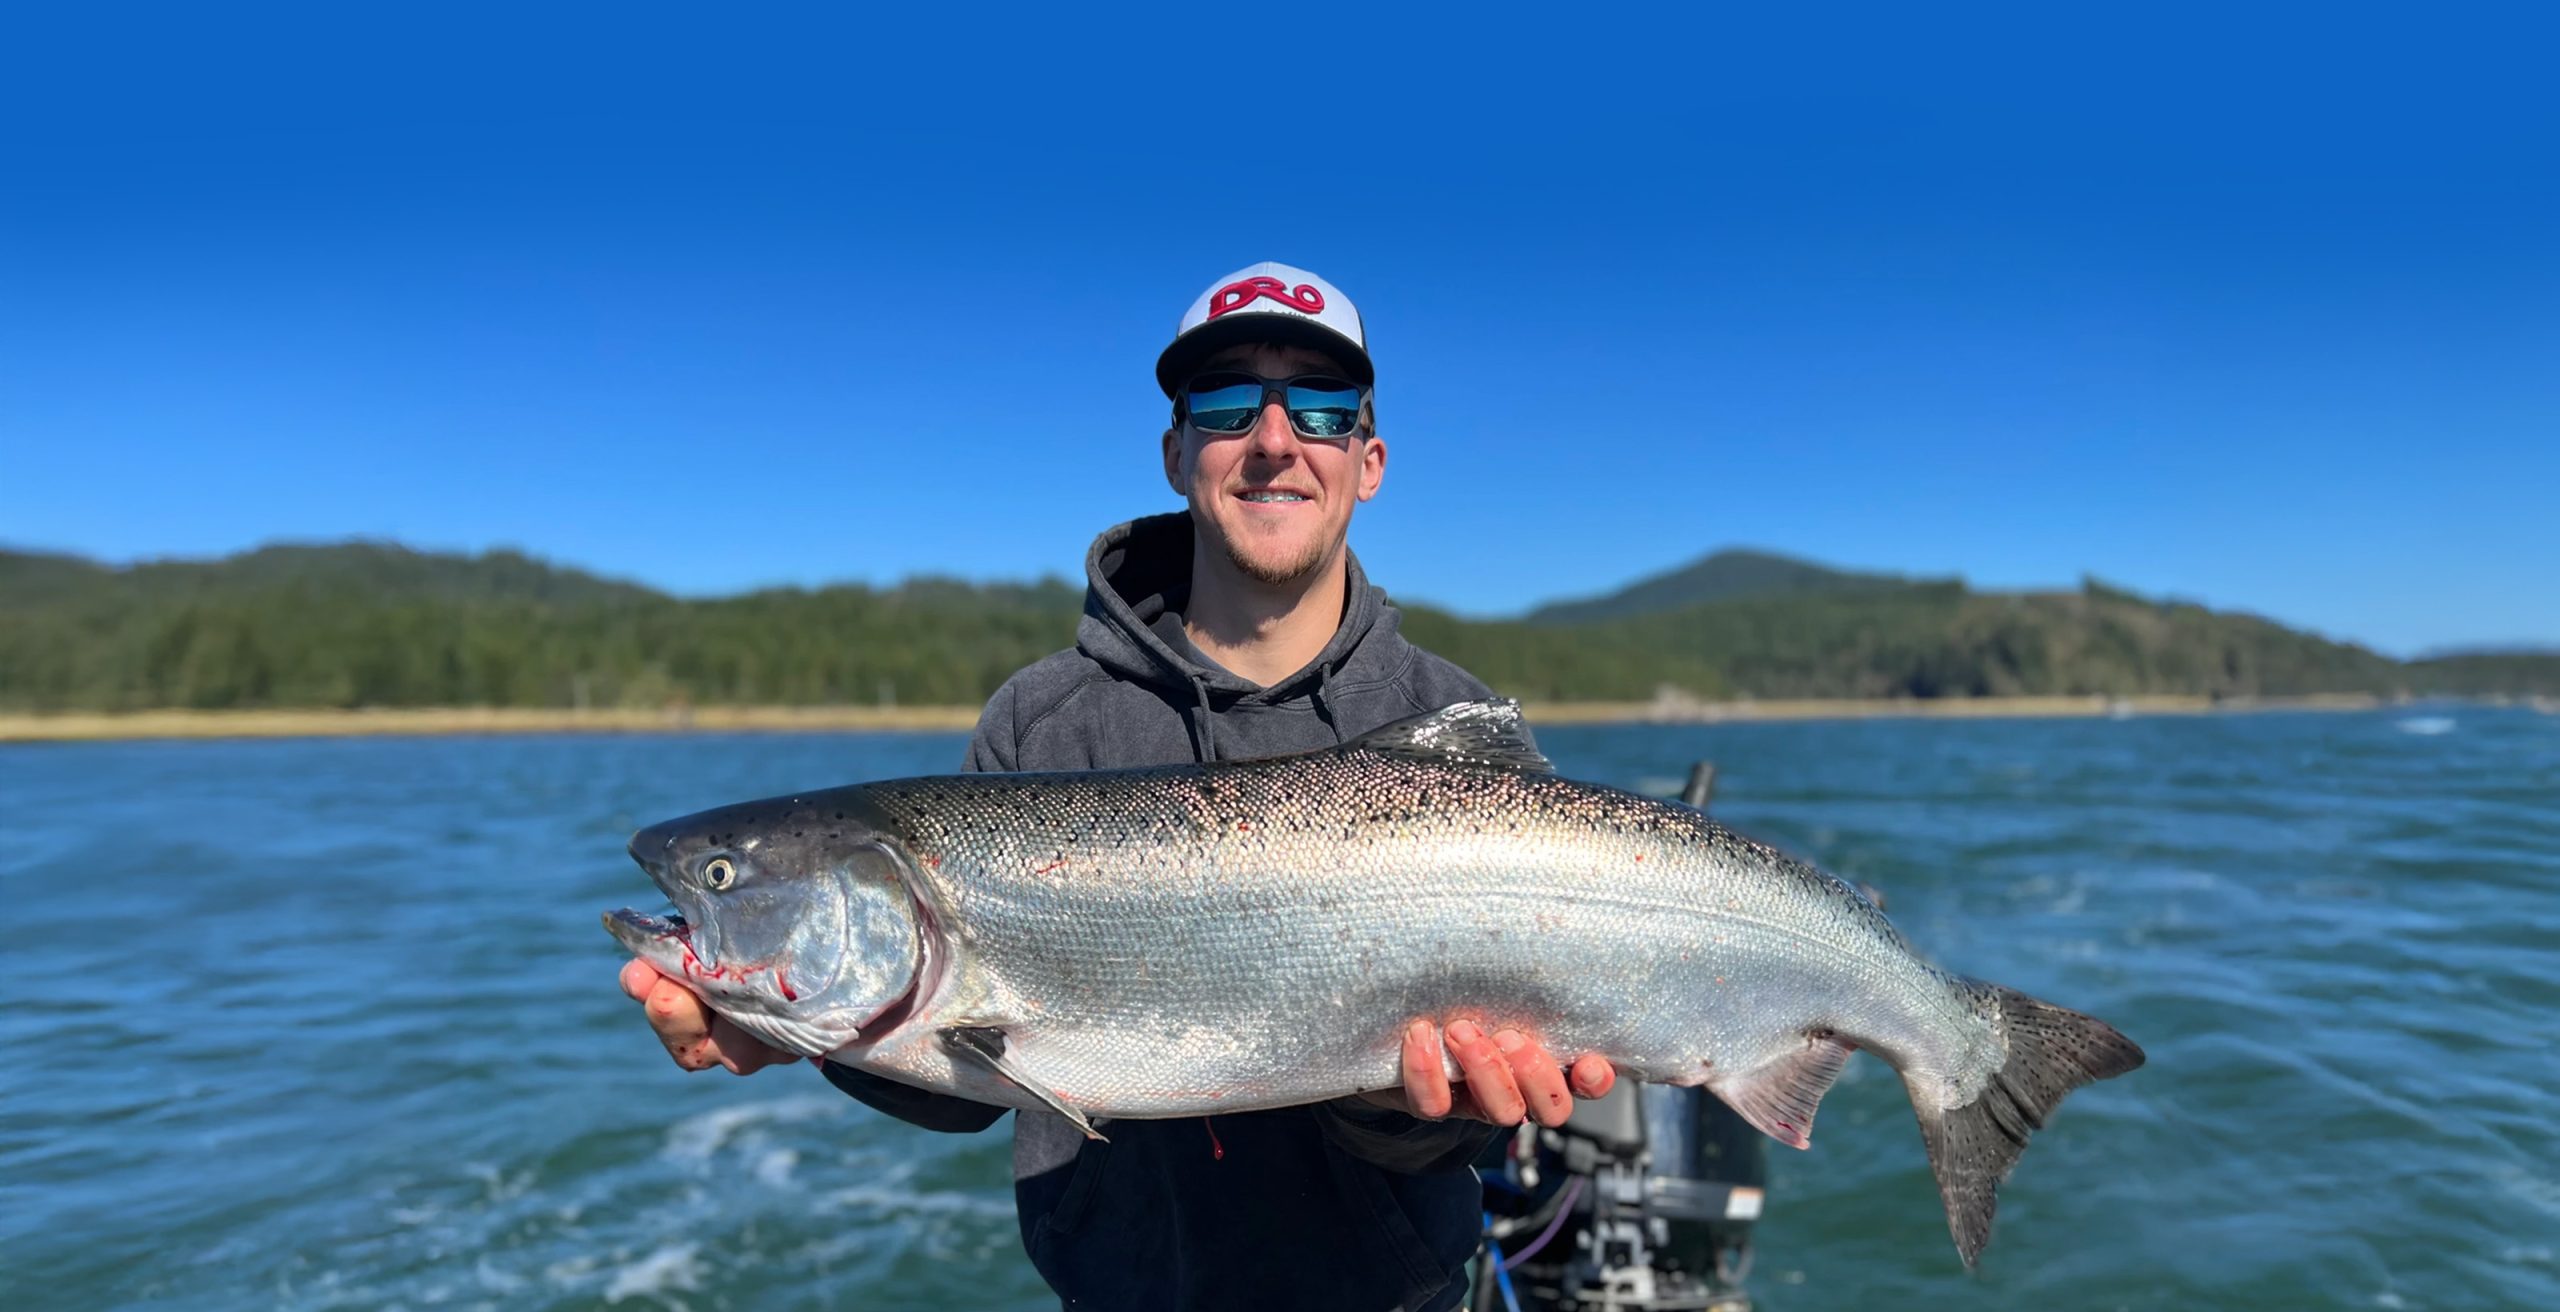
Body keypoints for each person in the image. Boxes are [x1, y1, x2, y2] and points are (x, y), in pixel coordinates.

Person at [617, 261, 1618, 1311]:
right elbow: (970, 1090)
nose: (1274, 440)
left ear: (1367, 462)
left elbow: (1465, 1130)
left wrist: (1421, 1108)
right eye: (1227, 403)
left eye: (1320, 408)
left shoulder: (1448, 719)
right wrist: (808, 1038)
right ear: (1176, 452)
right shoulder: (1041, 720)